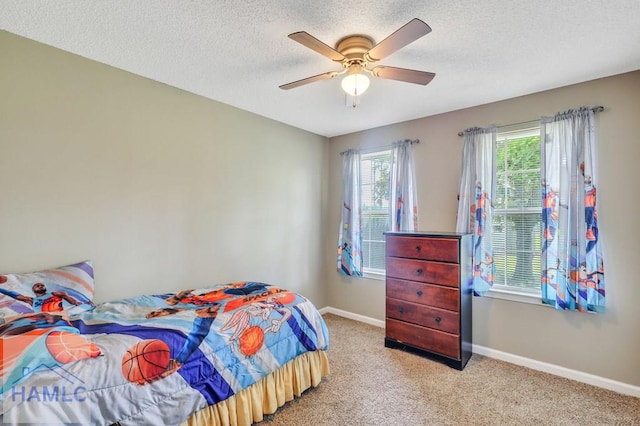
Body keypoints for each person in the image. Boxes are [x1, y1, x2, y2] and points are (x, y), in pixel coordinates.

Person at [0, 282, 84, 313]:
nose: (40, 286)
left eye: (42, 285)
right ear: (33, 290)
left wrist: (75, 303)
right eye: (37, 286)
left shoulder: (55, 294)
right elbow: (11, 293)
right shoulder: (31, 300)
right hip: (43, 319)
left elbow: (68, 297)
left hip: (58, 317)